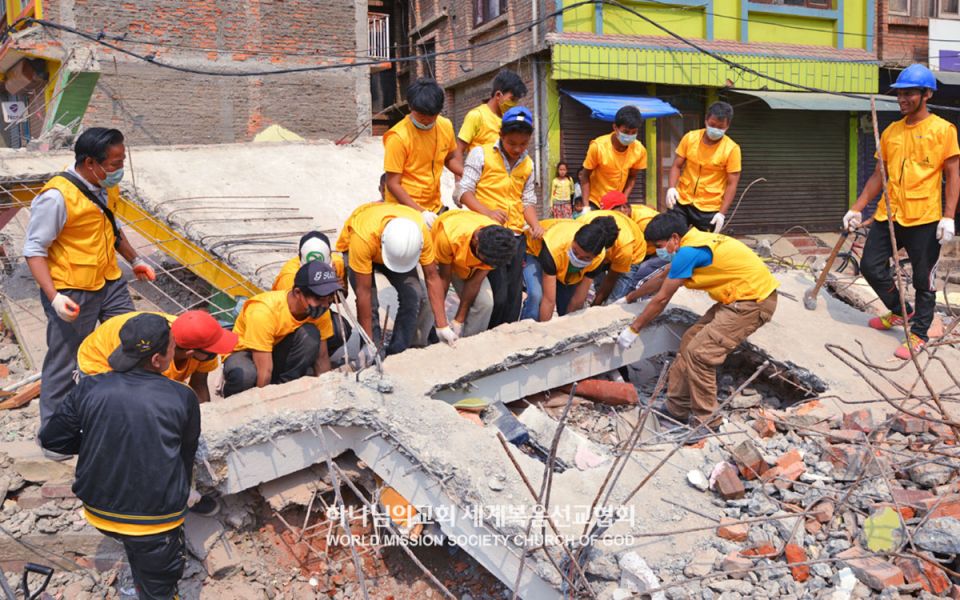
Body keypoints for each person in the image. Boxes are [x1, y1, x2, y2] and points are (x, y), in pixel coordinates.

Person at [39, 314, 199, 600]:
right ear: (157, 360)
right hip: (156, 521)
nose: (175, 352)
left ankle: (134, 572)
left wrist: (95, 441)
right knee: (158, 588)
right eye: (172, 347)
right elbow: (185, 456)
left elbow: (52, 439)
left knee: (137, 548)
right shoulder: (182, 396)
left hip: (99, 510)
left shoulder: (89, 388)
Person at [23, 127, 156, 439]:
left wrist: (135, 259)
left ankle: (123, 413)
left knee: (133, 340)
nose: (119, 169)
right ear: (89, 162)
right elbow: (33, 250)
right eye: (113, 164)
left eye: (122, 161)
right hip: (71, 289)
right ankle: (54, 436)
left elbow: (111, 226)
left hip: (109, 281)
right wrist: (54, 297)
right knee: (65, 360)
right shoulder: (56, 197)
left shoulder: (103, 187)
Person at [617, 212, 778, 435]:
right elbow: (664, 277)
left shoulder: (689, 251)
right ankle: (676, 408)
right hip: (738, 298)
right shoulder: (693, 242)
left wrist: (634, 329)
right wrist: (630, 298)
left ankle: (707, 422)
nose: (659, 251)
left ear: (675, 238)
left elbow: (662, 298)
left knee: (701, 354)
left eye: (660, 245)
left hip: (752, 302)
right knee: (689, 342)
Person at [844, 63, 959, 359]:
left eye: (909, 94)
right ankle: (900, 312)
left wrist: (948, 216)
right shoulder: (891, 131)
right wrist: (857, 208)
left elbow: (953, 175)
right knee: (870, 266)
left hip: (925, 218)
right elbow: (877, 176)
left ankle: (919, 333)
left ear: (927, 94)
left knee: (924, 279)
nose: (902, 99)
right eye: (899, 94)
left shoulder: (943, 130)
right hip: (889, 215)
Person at [335, 202, 455, 360]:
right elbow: (363, 293)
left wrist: (442, 325)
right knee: (371, 303)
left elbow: (432, 277)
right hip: (359, 248)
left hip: (395, 249)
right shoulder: (362, 237)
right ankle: (372, 351)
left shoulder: (419, 232)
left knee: (415, 295)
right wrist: (368, 344)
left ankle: (398, 352)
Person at [460, 106, 544, 328]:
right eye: (512, 143)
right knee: (499, 297)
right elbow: (463, 191)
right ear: (501, 136)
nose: (517, 149)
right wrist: (486, 212)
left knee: (514, 300)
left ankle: (505, 342)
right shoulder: (481, 154)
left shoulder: (528, 164)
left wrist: (535, 225)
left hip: (516, 237)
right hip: (489, 236)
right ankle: (488, 339)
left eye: (523, 144)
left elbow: (527, 200)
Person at [222, 262, 341, 397]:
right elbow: (264, 371)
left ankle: (284, 388)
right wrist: (263, 405)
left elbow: (322, 357)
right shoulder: (263, 311)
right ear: (298, 293)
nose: (325, 304)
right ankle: (232, 400)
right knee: (246, 375)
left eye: (329, 298)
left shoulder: (319, 309)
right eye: (319, 298)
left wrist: (327, 393)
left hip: (274, 348)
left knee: (310, 335)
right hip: (246, 352)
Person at [77, 309, 236, 403]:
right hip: (98, 362)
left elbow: (199, 385)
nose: (216, 355)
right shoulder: (152, 356)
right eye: (212, 352)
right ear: (189, 352)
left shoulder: (200, 342)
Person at [383, 78, 463, 228]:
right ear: (410, 107)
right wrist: (420, 212)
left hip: (434, 206)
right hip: (403, 210)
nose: (426, 121)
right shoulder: (398, 137)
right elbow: (393, 184)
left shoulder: (445, 126)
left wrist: (464, 176)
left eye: (431, 116)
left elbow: (450, 158)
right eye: (421, 116)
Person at [432, 210, 518, 336]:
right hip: (448, 257)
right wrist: (441, 322)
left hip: (469, 264)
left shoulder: (496, 243)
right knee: (431, 300)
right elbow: (444, 279)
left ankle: (471, 342)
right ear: (475, 240)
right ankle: (429, 334)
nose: (486, 263)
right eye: (483, 259)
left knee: (485, 304)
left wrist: (458, 320)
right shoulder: (449, 236)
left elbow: (474, 282)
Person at [521, 217, 618, 322]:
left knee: (567, 304)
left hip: (563, 263)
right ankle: (528, 329)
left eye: (585, 258)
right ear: (573, 240)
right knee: (536, 295)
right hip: (535, 251)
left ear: (595, 256)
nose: (577, 259)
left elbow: (578, 299)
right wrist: (544, 332)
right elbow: (549, 300)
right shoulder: (554, 248)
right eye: (575, 252)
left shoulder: (598, 259)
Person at [666, 101, 742, 233]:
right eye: (712, 125)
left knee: (703, 246)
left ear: (727, 126)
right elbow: (676, 166)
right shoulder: (690, 138)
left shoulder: (732, 149)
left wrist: (722, 213)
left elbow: (732, 184)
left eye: (720, 127)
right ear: (706, 120)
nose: (715, 129)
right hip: (682, 200)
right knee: (672, 237)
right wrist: (671, 188)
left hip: (709, 208)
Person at [273, 231, 351, 358]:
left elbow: (339, 299)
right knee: (309, 336)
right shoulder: (289, 278)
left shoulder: (337, 264)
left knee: (340, 329)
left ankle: (312, 359)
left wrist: (337, 289)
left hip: (317, 311)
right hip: (290, 323)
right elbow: (295, 314)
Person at [577, 192, 647, 305]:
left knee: (614, 302)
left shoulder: (624, 245)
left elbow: (611, 278)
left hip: (632, 256)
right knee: (592, 274)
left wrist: (596, 305)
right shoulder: (581, 224)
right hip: (609, 250)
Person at [580, 106, 647, 211]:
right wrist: (586, 206)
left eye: (634, 132)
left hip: (616, 204)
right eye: (626, 131)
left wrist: (623, 199)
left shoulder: (639, 150)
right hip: (595, 202)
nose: (630, 135)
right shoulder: (598, 147)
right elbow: (584, 176)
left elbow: (632, 177)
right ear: (615, 128)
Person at [601, 192, 665, 300]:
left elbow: (666, 244)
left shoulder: (644, 222)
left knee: (640, 273)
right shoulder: (626, 215)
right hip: (644, 251)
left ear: (624, 208)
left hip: (662, 252)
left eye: (611, 213)